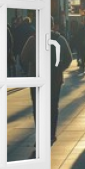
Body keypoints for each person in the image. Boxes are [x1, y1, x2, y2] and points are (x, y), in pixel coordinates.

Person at [22, 17, 73, 145]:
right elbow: (69, 57)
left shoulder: (33, 40)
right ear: (52, 25)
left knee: (38, 107)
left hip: (36, 77)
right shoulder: (60, 39)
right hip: (55, 78)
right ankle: (51, 134)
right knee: (52, 106)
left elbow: (23, 58)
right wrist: (60, 68)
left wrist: (30, 69)